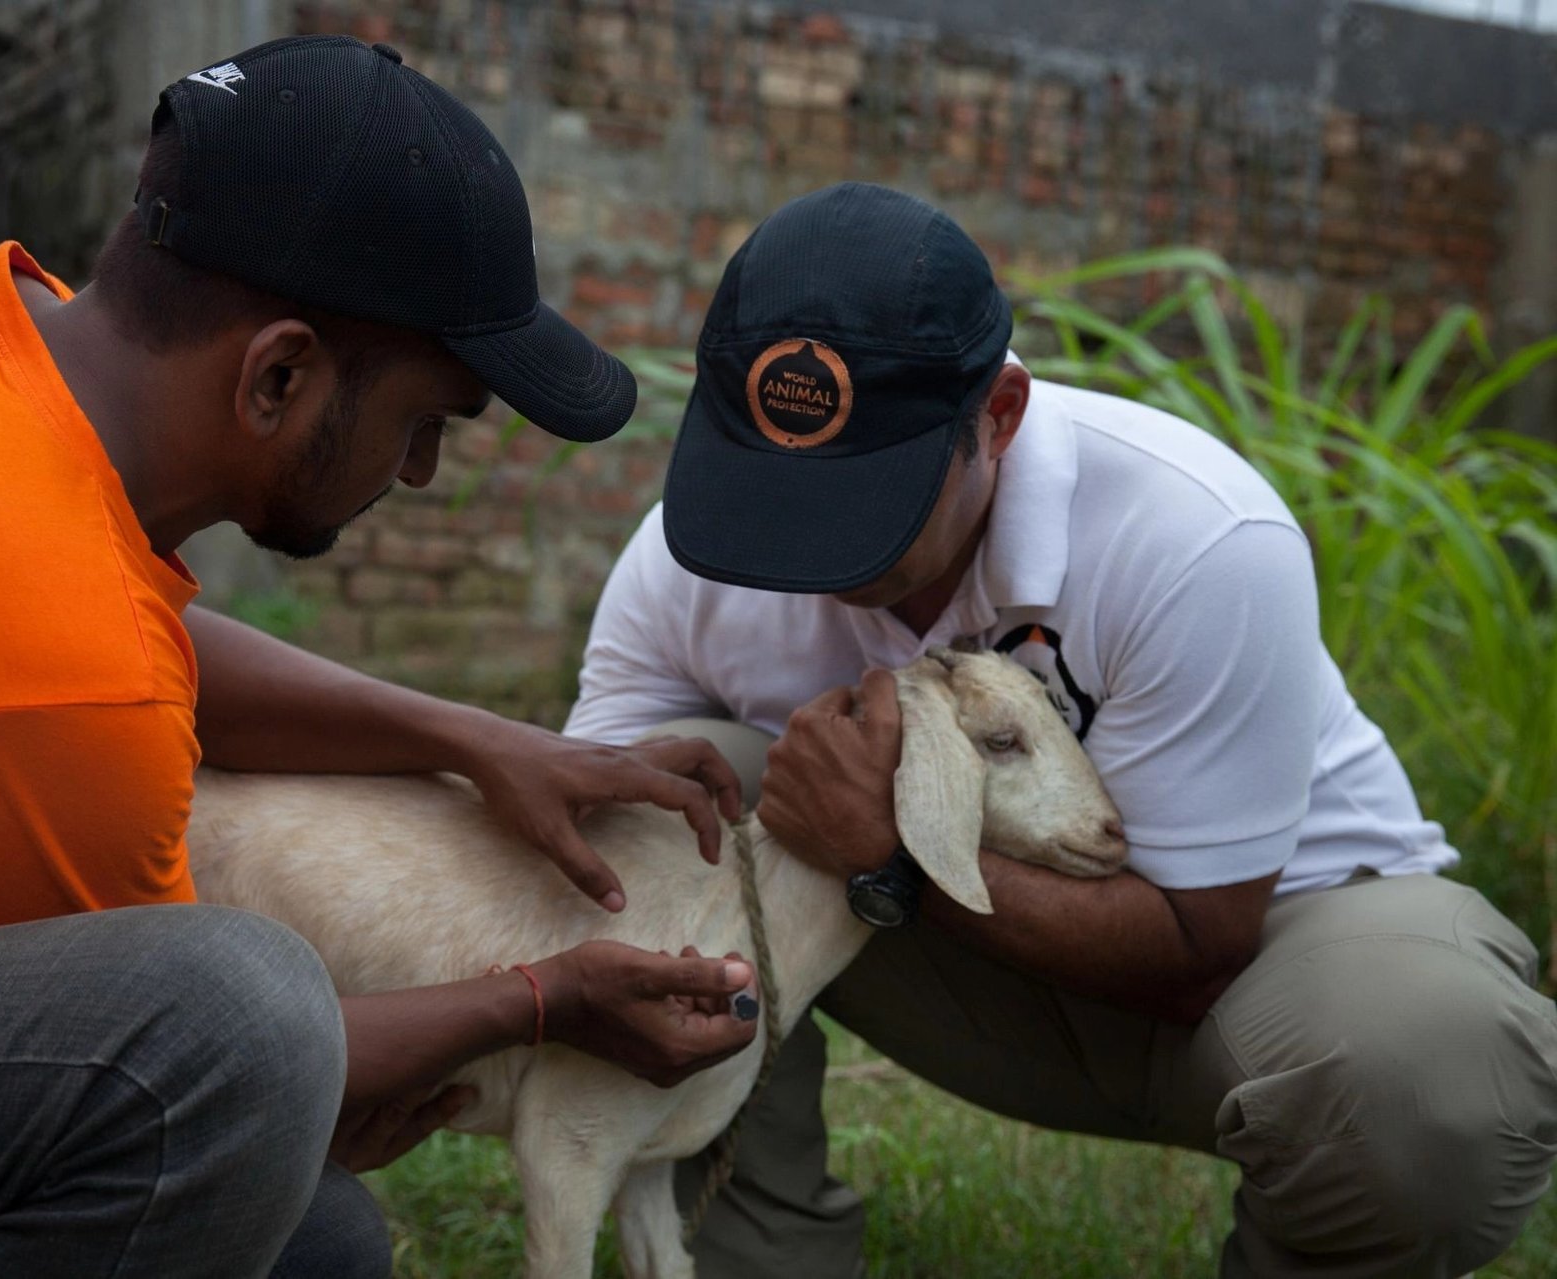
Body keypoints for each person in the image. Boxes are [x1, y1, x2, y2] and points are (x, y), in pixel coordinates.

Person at [0, 36, 762, 1278]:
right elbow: (207, 1066)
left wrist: (476, 738)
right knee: (242, 1022)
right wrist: (543, 1003)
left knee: (317, 1247)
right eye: (422, 420)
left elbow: (102, 633)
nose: (421, 472)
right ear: (279, 373)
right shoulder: (50, 656)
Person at [564, 182, 1557, 1278]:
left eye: (865, 506)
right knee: (679, 801)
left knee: (1433, 1071)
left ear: (997, 417)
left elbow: (1200, 948)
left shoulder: (1193, 535)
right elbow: (605, 870)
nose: (812, 559)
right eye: (772, 489)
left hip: (1264, 969)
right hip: (956, 961)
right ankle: (753, 1255)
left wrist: (888, 853)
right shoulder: (684, 559)